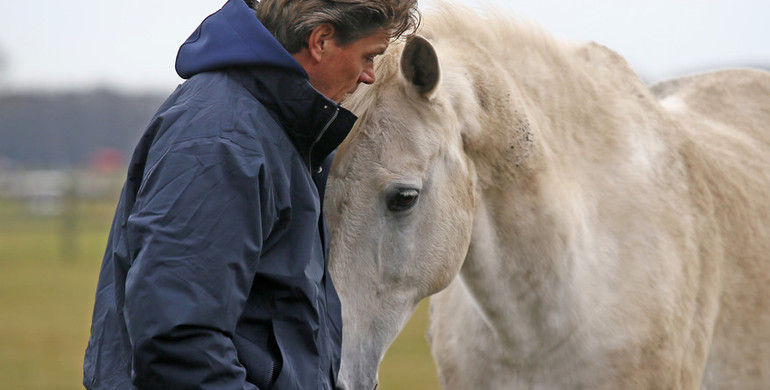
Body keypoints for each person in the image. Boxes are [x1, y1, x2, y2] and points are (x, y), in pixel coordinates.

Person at [82, 0, 419, 388]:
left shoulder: (270, 128)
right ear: (321, 40)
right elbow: (179, 343)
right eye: (368, 56)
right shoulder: (222, 140)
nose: (369, 76)